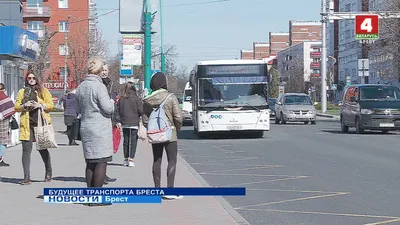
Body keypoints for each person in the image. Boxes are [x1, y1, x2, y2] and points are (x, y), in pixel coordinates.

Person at [76, 57, 114, 205]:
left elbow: (78, 106)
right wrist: (111, 103)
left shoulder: (82, 86)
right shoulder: (99, 86)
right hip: (100, 128)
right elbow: (107, 108)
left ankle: (90, 197)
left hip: (86, 126)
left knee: (90, 162)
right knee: (101, 162)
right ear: (99, 70)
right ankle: (97, 199)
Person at [142, 72, 183, 200]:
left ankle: (156, 190)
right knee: (172, 161)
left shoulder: (147, 100)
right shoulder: (171, 97)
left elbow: (144, 119)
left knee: (156, 160)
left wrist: (152, 128)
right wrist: (177, 129)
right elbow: (179, 117)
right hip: (170, 133)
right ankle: (169, 190)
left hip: (155, 134)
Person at [15, 71, 54, 185]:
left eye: (33, 78)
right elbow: (16, 107)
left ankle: (48, 171)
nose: (31, 80)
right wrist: (23, 106)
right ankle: (26, 177)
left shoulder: (43, 91)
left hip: (40, 124)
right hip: (27, 125)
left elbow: (51, 105)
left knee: (42, 149)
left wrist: (40, 104)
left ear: (37, 79)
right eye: (29, 78)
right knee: (26, 151)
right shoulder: (22, 92)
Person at [116, 82, 143, 167]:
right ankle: (131, 159)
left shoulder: (122, 99)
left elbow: (118, 110)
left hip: (124, 122)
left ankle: (125, 159)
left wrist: (118, 120)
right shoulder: (137, 99)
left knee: (126, 141)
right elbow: (141, 111)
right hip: (134, 122)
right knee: (133, 141)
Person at [100, 63, 117, 184]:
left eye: (106, 70)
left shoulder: (109, 83)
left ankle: (103, 174)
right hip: (99, 119)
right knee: (100, 150)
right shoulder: (98, 84)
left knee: (106, 149)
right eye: (102, 70)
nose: (104, 72)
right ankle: (100, 176)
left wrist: (116, 120)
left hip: (108, 118)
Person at [0, 83, 16, 167]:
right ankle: (0, 160)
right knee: (3, 142)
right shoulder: (6, 98)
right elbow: (12, 108)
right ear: (4, 89)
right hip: (4, 122)